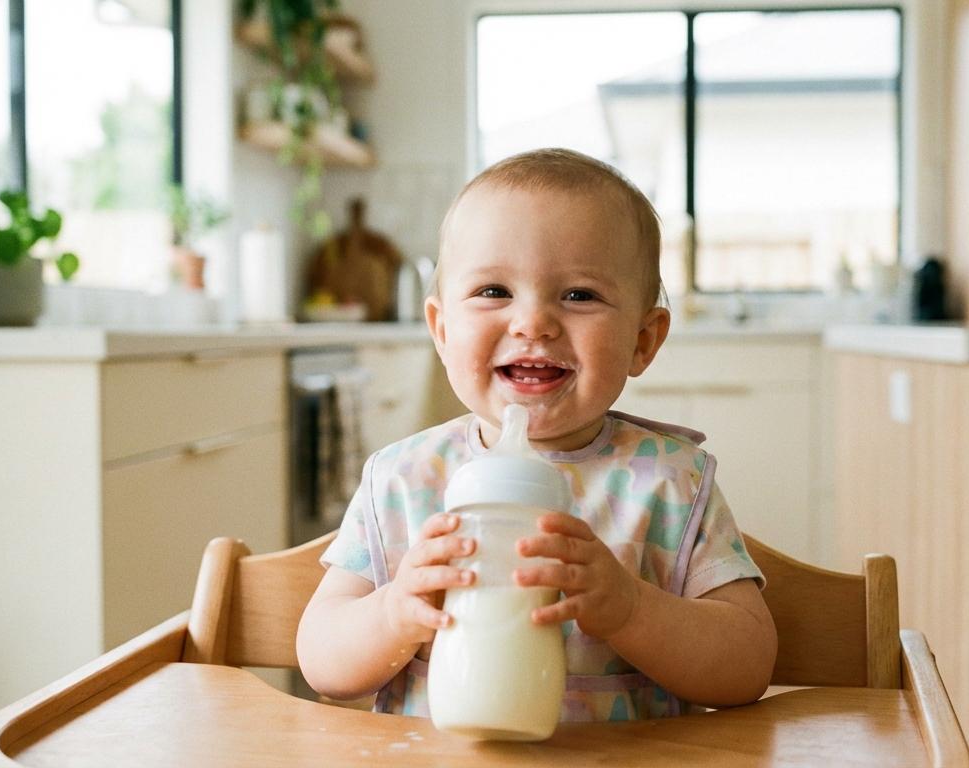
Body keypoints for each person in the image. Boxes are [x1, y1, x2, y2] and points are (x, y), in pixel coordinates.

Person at [297, 148, 777, 722]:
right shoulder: (403, 480)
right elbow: (322, 661)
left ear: (643, 341)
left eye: (579, 295)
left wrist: (631, 611)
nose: (532, 323)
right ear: (442, 330)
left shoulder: (671, 483)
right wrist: (395, 612)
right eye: (494, 291)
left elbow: (748, 664)